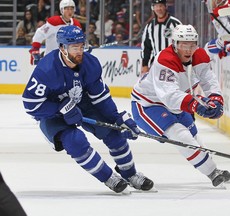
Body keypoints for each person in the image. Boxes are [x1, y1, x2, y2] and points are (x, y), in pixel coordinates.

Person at [22, 25, 154, 194]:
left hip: (82, 102)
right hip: (53, 112)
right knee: (75, 141)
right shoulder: (46, 69)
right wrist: (60, 109)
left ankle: (130, 174)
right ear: (62, 48)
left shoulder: (90, 63)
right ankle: (109, 177)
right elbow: (30, 103)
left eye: (81, 46)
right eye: (74, 47)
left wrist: (117, 117)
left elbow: (100, 97)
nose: (79, 51)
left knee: (114, 132)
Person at [131, 24, 230, 187]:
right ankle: (212, 172)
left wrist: (216, 98)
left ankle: (214, 168)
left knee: (194, 135)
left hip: (176, 102)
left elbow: (209, 80)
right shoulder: (165, 59)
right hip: (148, 104)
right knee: (180, 134)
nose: (188, 49)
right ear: (175, 44)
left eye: (192, 44)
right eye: (184, 44)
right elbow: (170, 96)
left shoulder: (199, 55)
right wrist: (196, 105)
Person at [29, 0, 82, 65]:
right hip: (52, 60)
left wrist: (84, 49)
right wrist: (35, 48)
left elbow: (78, 41)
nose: (70, 11)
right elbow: (40, 33)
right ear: (62, 10)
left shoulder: (76, 25)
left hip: (69, 61)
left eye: (72, 9)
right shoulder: (54, 22)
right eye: (67, 9)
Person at [141, 0, 181, 74]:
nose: (159, 9)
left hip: (173, 64)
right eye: (156, 6)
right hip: (156, 65)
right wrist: (145, 64)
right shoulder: (150, 26)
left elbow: (182, 44)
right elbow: (146, 47)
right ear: (153, 8)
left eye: (161, 6)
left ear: (166, 7)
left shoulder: (175, 24)